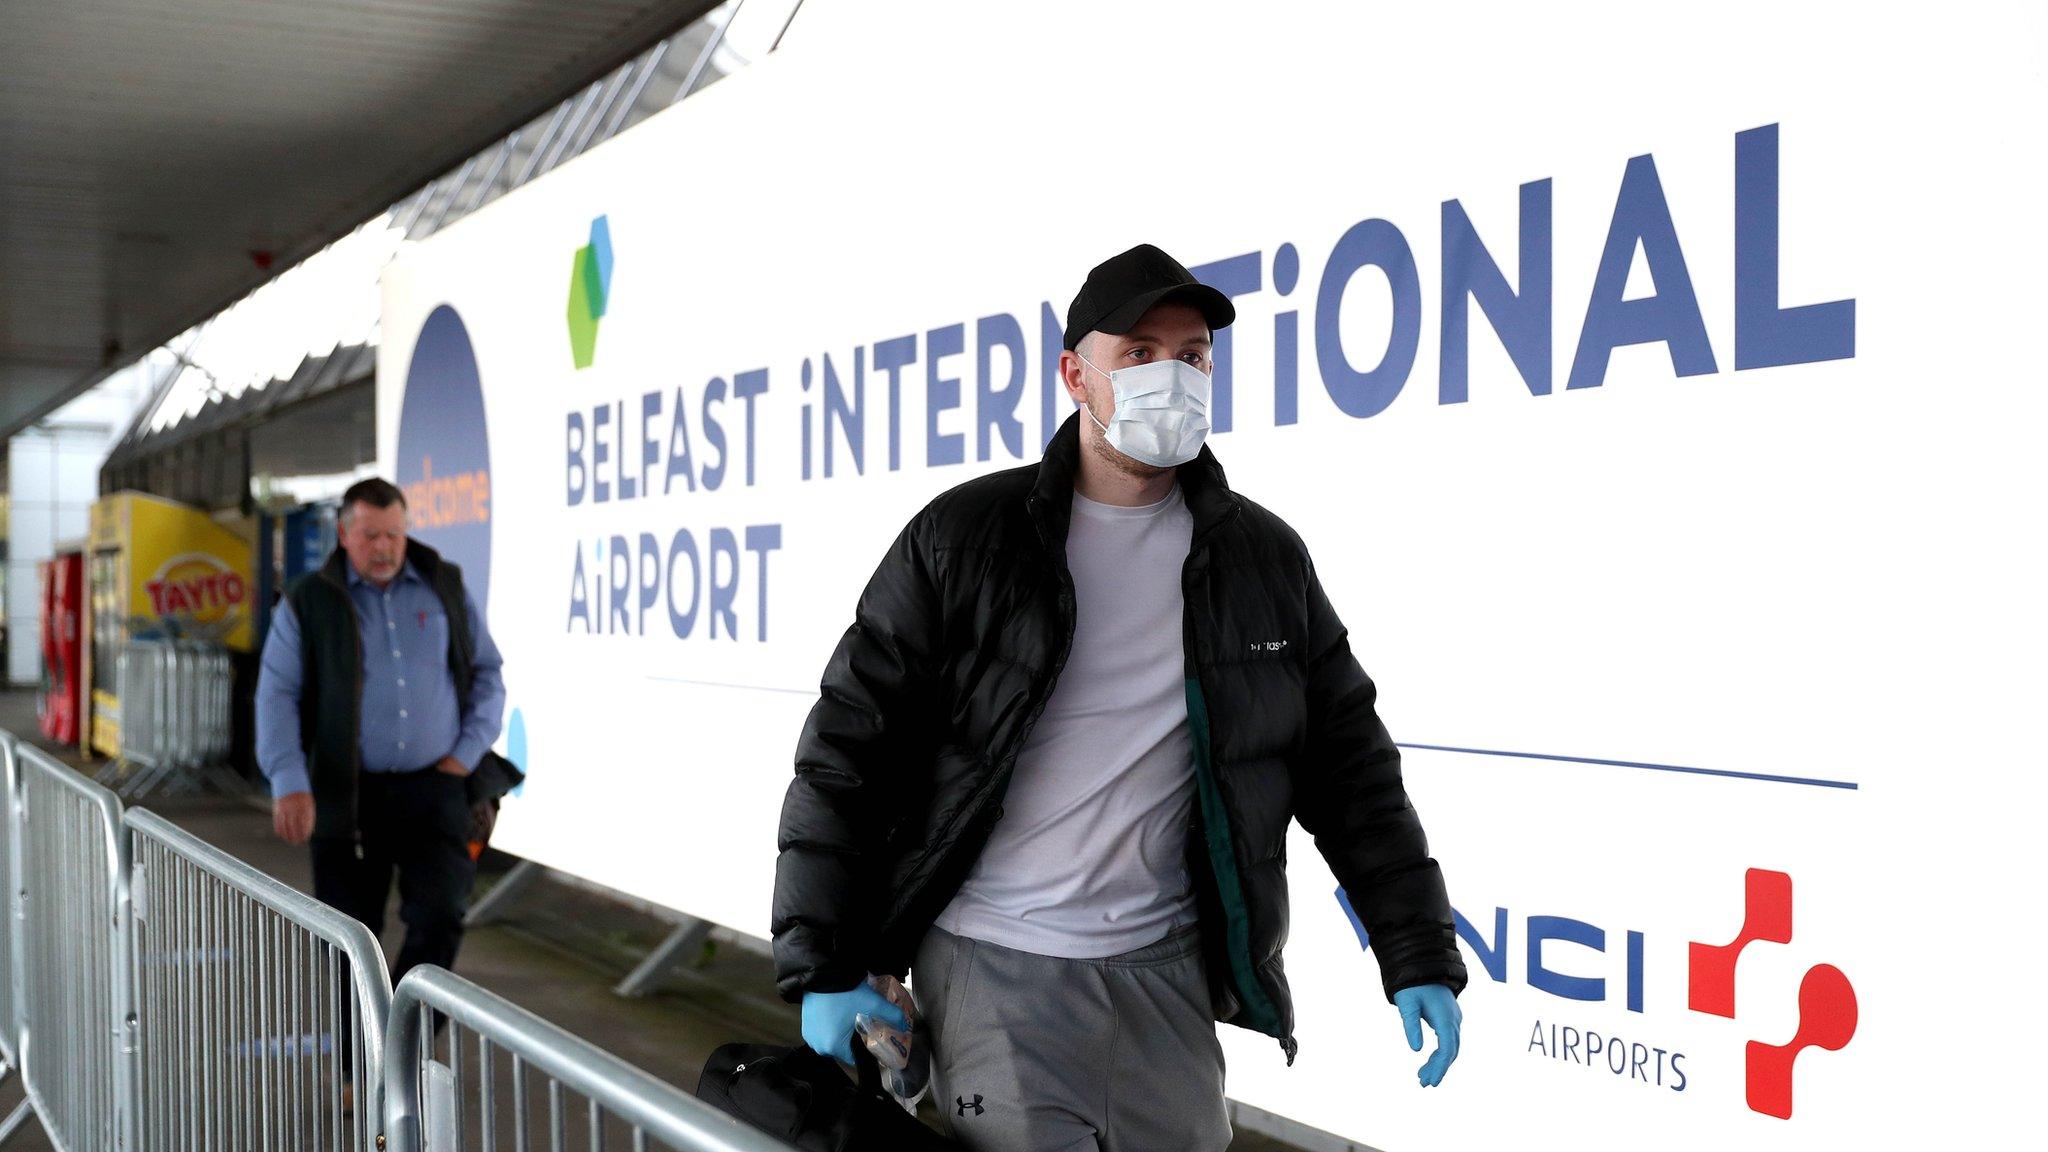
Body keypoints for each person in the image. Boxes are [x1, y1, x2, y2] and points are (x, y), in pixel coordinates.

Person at [773, 243, 1468, 1152]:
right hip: (994, 968)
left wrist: (1414, 945)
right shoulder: (964, 541)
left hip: (1165, 976)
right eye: (1138, 353)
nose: (1169, 377)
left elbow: (1350, 767)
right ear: (1075, 374)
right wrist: (820, 962)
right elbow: (849, 749)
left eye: (1191, 356)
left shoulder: (1264, 562)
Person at [256, 476, 506, 990]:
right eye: (371, 535)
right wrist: (289, 779)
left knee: (441, 916)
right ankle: (360, 1062)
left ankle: (402, 1046)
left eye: (394, 534)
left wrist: (464, 754)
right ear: (344, 534)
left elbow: (487, 673)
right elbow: (276, 694)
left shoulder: (445, 587)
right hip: (346, 792)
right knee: (349, 936)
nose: (384, 547)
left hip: (435, 785)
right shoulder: (309, 601)